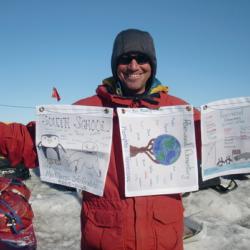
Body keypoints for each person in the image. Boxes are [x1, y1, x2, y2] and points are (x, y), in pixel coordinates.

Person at [0, 28, 201, 250]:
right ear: (115, 65)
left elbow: (213, 142)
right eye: (125, 59)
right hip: (105, 240)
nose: (134, 66)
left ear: (152, 64)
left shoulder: (178, 110)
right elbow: (32, 142)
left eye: (141, 58)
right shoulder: (90, 109)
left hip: (164, 240)